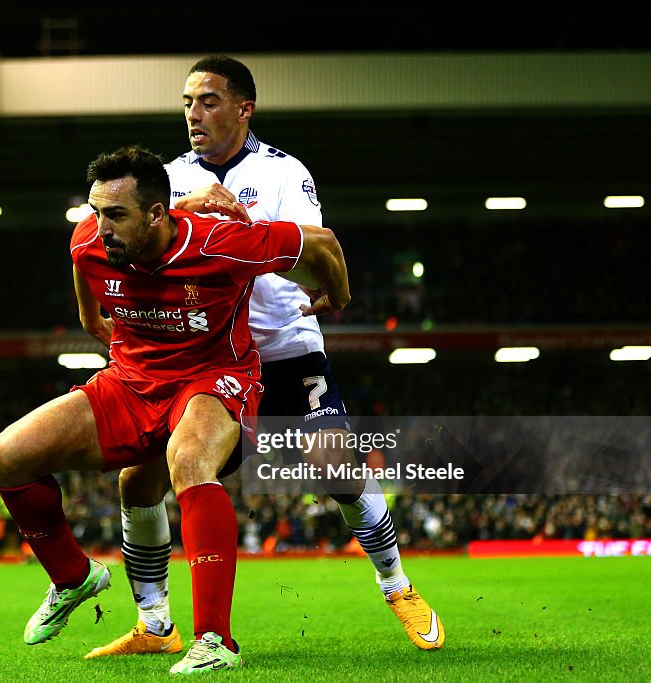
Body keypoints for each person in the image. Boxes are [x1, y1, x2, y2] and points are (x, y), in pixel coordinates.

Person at [87, 55, 444, 659]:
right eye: (187, 103)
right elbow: (124, 246)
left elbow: (308, 247)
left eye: (208, 101)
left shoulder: (285, 172)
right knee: (139, 481)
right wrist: (186, 209)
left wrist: (246, 226)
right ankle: (153, 624)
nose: (193, 114)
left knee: (340, 468)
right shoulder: (167, 179)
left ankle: (397, 584)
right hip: (196, 360)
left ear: (243, 108)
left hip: (280, 349)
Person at [0, 144, 350, 674]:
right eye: (96, 212)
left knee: (189, 460)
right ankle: (73, 578)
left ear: (157, 215)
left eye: (116, 215)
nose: (101, 227)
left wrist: (335, 299)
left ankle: (215, 640)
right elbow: (83, 275)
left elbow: (321, 242)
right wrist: (95, 322)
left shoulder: (221, 243)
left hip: (213, 378)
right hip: (131, 382)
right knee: (7, 456)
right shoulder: (90, 239)